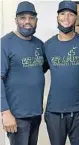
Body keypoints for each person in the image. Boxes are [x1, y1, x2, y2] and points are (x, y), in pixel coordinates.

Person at [44, 1, 79, 145]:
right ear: (57, 17)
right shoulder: (47, 46)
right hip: (54, 111)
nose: (66, 18)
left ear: (75, 19)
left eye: (71, 14)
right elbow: (34, 72)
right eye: (63, 14)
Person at [1, 1, 47, 145]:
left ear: (36, 21)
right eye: (22, 18)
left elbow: (40, 70)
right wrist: (5, 112)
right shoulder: (5, 43)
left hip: (36, 113)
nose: (27, 21)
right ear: (16, 20)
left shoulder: (39, 44)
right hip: (16, 115)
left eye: (31, 18)